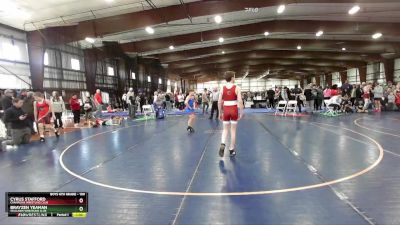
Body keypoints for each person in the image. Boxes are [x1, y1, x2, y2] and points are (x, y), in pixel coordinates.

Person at [218, 71, 244, 157]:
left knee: (225, 129)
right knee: (233, 131)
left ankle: (222, 143)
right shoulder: (237, 88)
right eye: (235, 76)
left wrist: (219, 113)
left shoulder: (222, 88)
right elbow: (240, 101)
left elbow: (219, 102)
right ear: (232, 78)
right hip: (233, 109)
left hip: (225, 109)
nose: (235, 78)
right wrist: (241, 112)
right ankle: (231, 149)